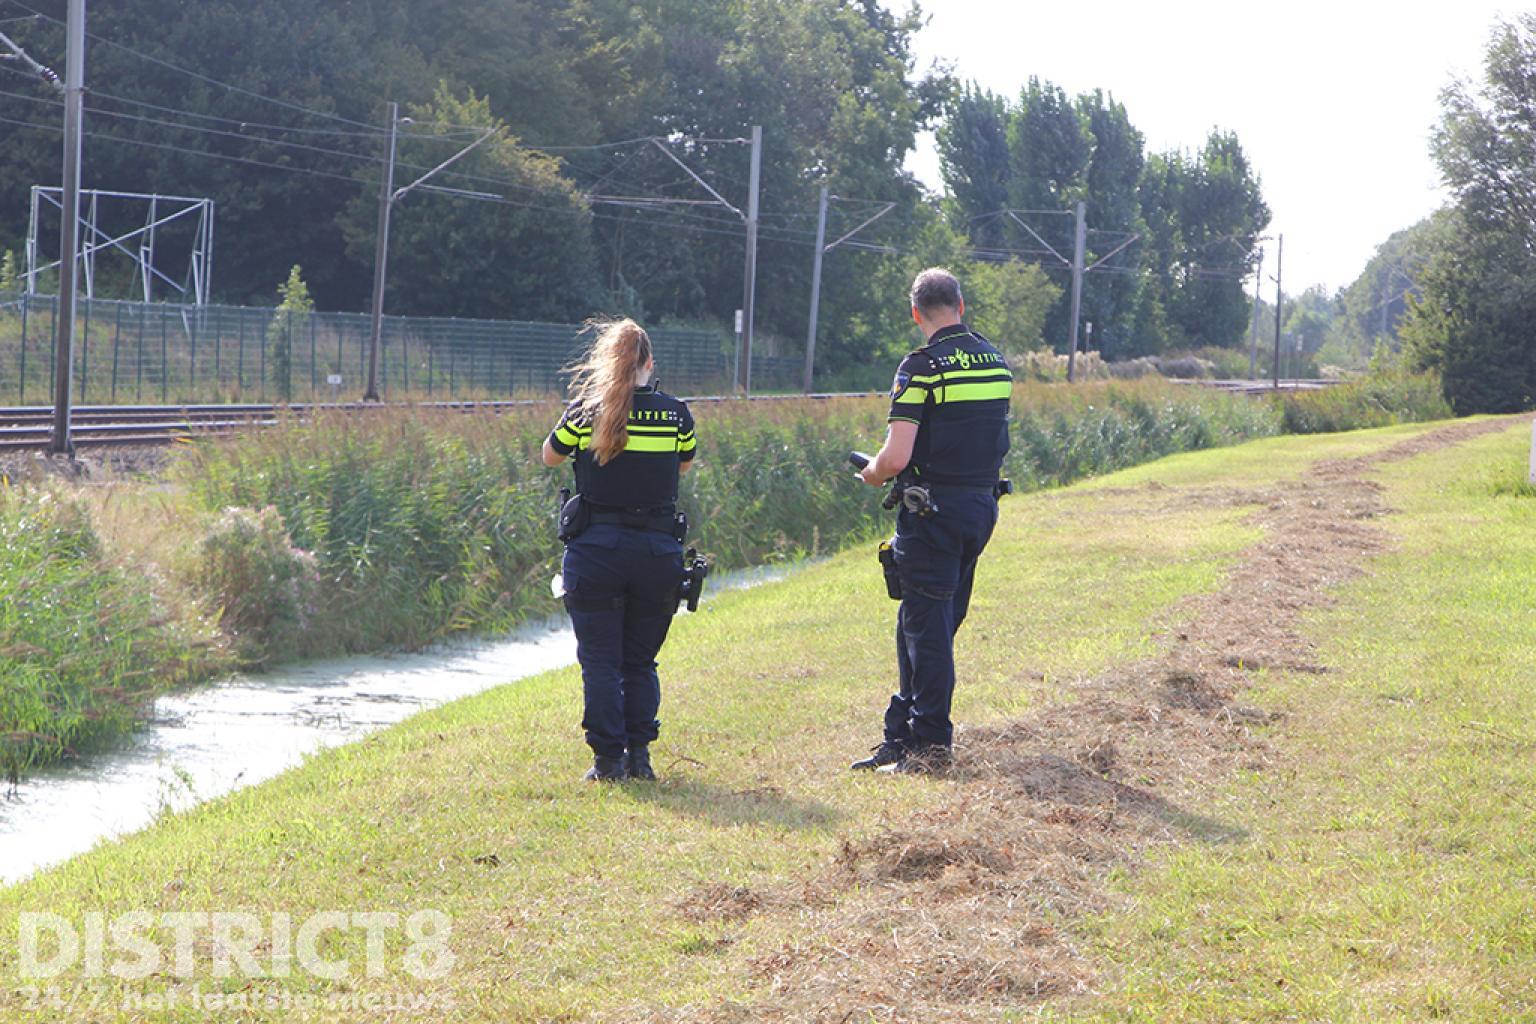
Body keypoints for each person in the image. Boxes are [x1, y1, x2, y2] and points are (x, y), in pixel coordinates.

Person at [850, 267, 1013, 774]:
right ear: (960, 305)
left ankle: (930, 748)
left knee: (928, 631)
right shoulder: (995, 361)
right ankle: (898, 736)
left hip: (931, 513)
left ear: (916, 313)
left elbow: (896, 457)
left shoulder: (921, 367)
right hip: (979, 509)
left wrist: (872, 475)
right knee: (924, 625)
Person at [542, 319, 697, 782]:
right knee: (639, 660)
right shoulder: (676, 414)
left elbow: (549, 456)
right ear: (650, 363)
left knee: (601, 661)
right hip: (656, 552)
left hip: (595, 552)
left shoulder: (584, 412)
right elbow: (683, 464)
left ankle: (607, 762)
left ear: (609, 363)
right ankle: (640, 759)